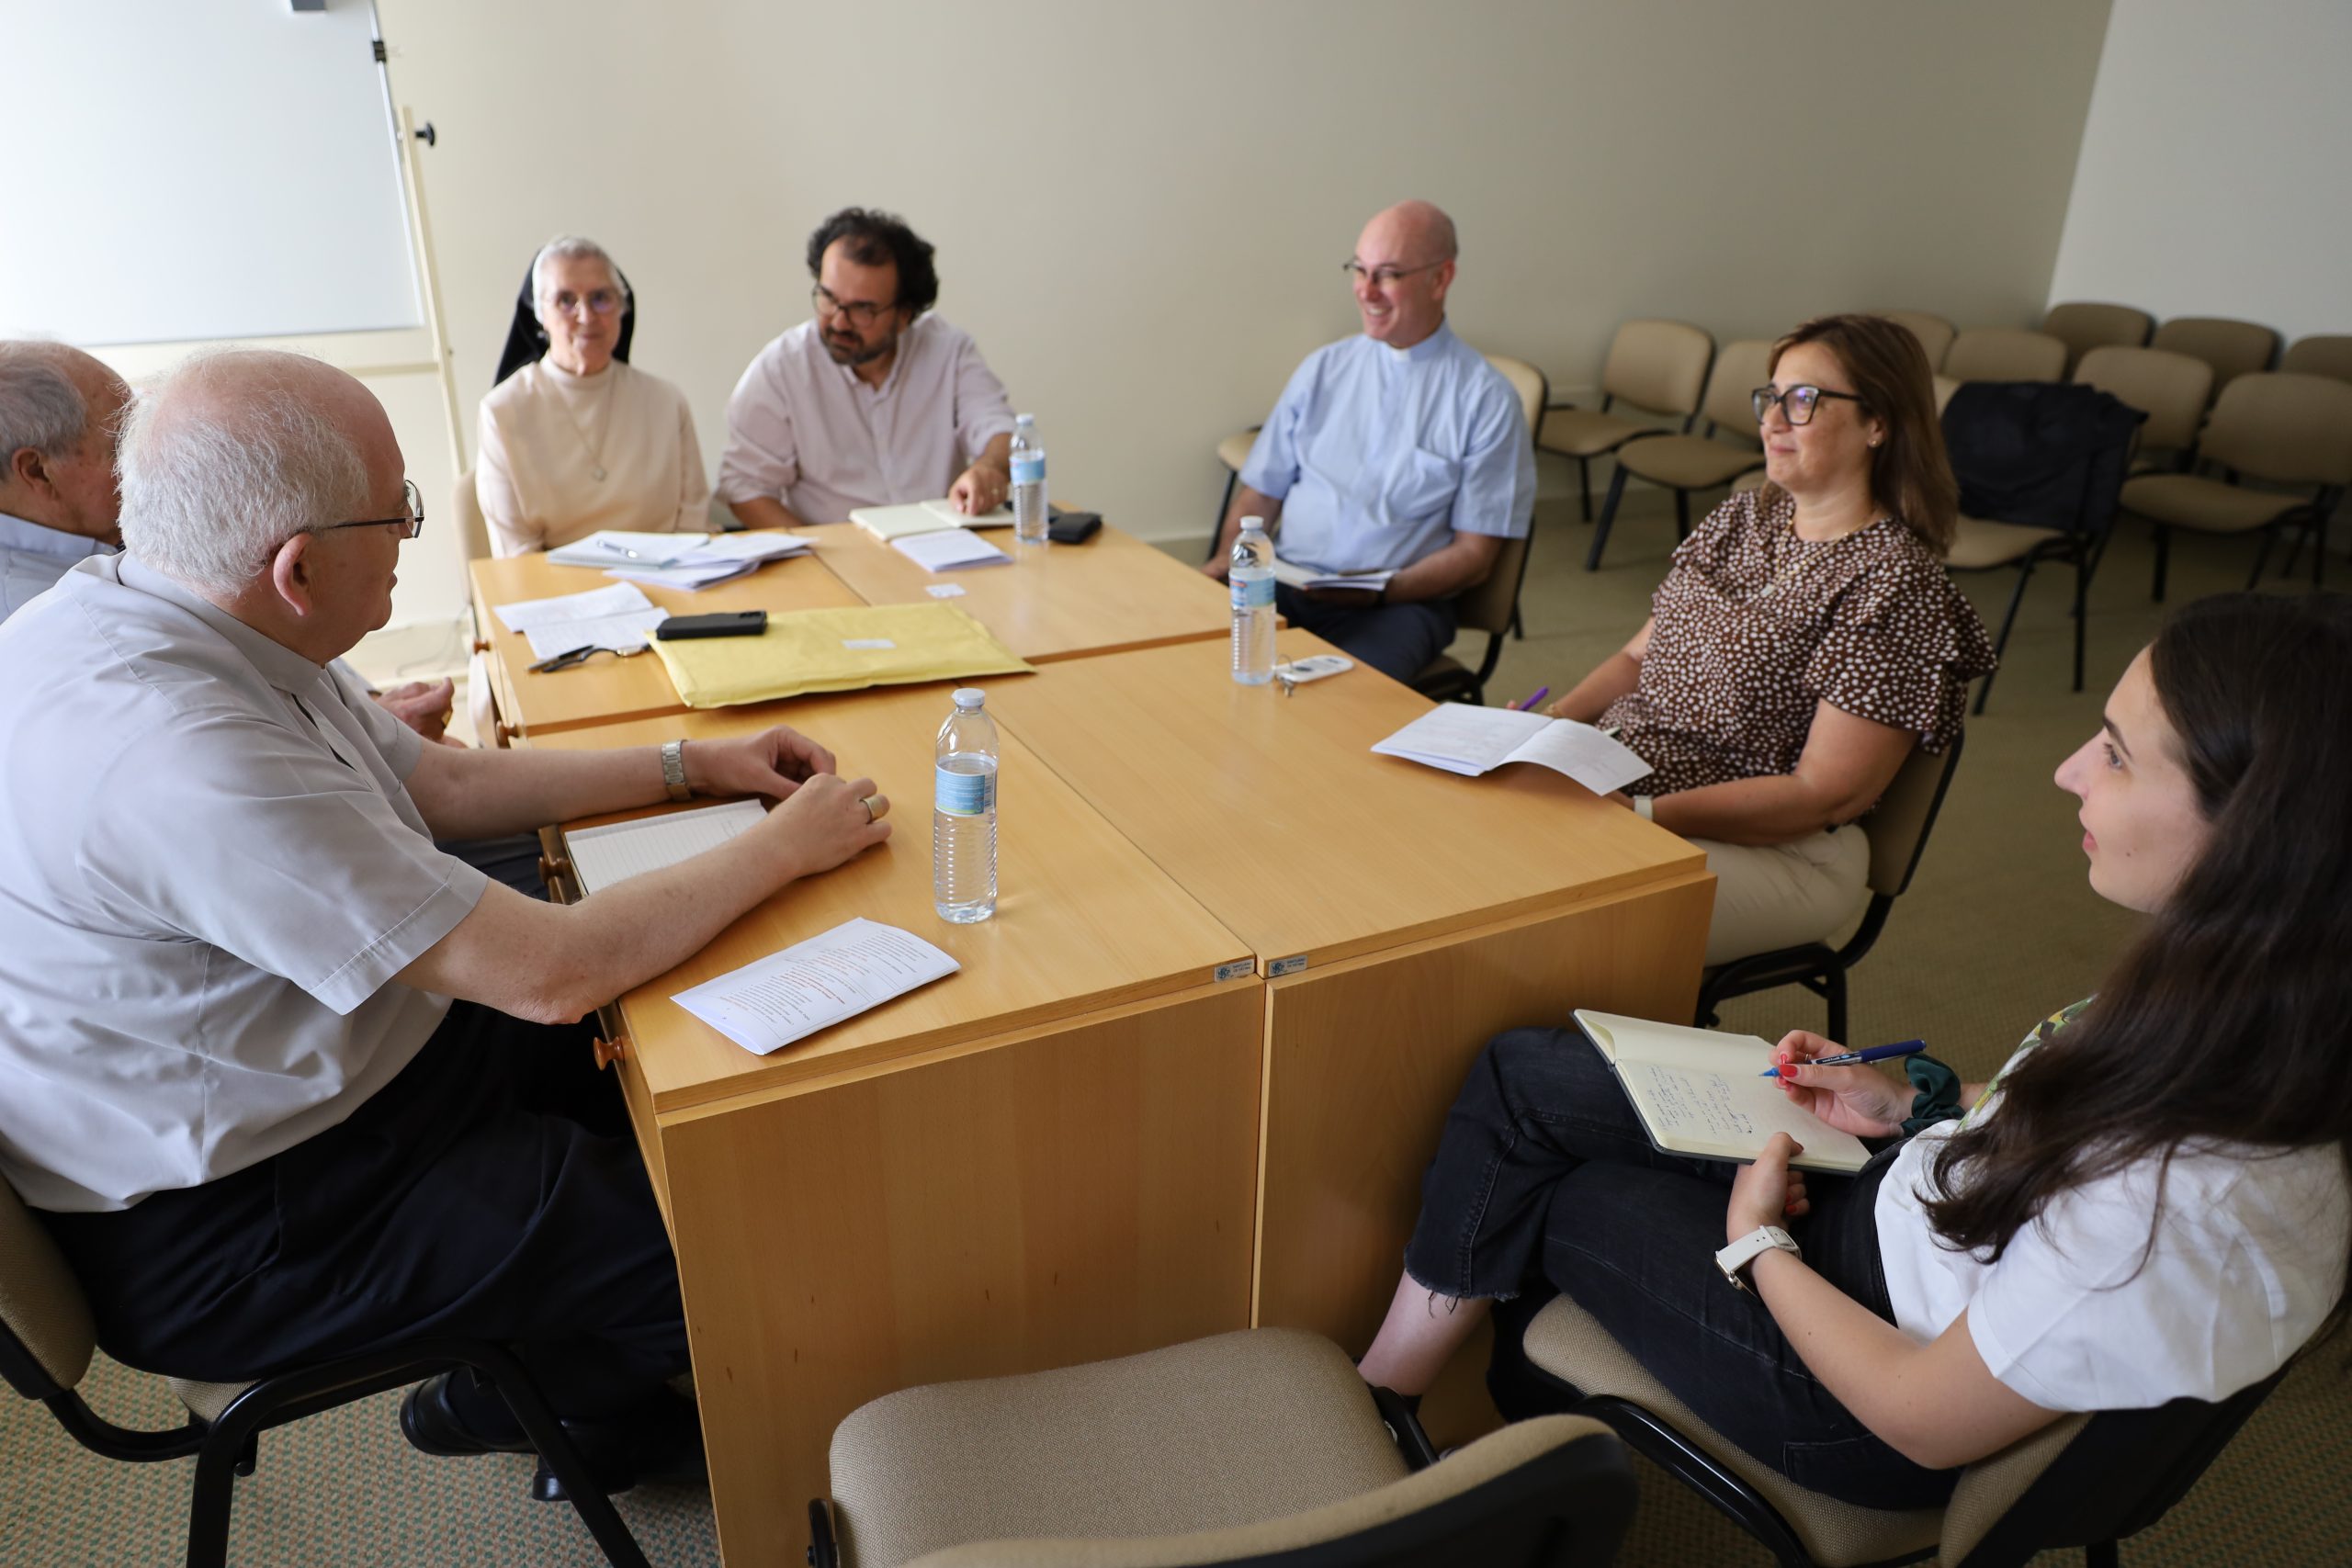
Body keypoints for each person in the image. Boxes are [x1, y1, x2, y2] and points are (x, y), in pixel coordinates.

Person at [0, 348, 894, 1495]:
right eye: (399, 512)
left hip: (321, 1074)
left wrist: (690, 765)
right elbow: (552, 975)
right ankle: (522, 1396)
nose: (410, 533)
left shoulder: (185, 598)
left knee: (697, 1056)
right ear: (298, 567)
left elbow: (438, 782)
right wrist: (782, 847)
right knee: (718, 1242)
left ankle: (580, 1376)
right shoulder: (175, 755)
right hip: (244, 1218)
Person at [1355, 591, 2352, 1508]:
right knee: (1526, 1076)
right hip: (1916, 1212)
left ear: (2256, 834)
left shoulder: (2179, 1201)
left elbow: (1919, 1415)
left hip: (1861, 1394)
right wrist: (1913, 1103)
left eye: (2118, 755)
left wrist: (1758, 1244)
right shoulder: (2246, 1006)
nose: (2067, 770)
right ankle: (1401, 1402)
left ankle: (1395, 1435)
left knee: (1557, 1192)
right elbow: (2065, 1113)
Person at [1540, 314, 1993, 964]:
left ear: (1878, 422)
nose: (1773, 420)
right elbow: (1638, 656)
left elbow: (1822, 794)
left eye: (1803, 400)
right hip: (1627, 781)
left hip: (1780, 851)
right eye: (1771, 397)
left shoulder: (1896, 584)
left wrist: (1640, 812)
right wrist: (1547, 728)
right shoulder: (1745, 516)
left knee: (1534, 908)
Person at [0, 338, 457, 738]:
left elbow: (279, 624)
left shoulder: (99, 528)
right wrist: (365, 732)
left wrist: (366, 712)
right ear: (37, 471)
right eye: (120, 442)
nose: (146, 454)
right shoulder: (26, 611)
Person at [1203, 200, 1536, 683]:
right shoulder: (1325, 368)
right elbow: (1262, 492)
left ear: (1440, 279)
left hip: (1397, 606)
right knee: (1183, 664)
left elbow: (1474, 558)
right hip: (1286, 582)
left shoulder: (1485, 398)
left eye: (1388, 274)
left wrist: (1381, 591)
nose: (1366, 290)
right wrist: (1226, 563)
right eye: (1359, 270)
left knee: (1335, 707)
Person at [718, 207, 1015, 527]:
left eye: (863, 309)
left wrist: (991, 468)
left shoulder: (948, 351)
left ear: (904, 315)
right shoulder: (782, 369)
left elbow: (999, 430)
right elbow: (745, 488)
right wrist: (818, 550)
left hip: (942, 540)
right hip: (835, 546)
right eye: (828, 298)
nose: (839, 322)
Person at [477, 235, 710, 555]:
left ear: (622, 307)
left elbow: (692, 527)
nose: (586, 316)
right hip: (554, 584)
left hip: (668, 576)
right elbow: (518, 554)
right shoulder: (503, 412)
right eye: (565, 300)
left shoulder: (667, 401)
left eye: (601, 298)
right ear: (541, 313)